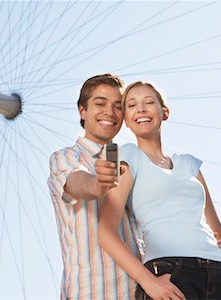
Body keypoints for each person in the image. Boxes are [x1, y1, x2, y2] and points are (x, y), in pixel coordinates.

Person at [98, 80, 221, 299]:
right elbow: (106, 231)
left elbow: (217, 227)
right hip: (170, 273)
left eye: (149, 102)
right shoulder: (128, 155)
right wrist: (148, 281)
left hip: (219, 275)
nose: (140, 108)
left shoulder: (190, 164)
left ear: (165, 112)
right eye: (131, 105)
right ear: (127, 122)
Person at [47, 74, 182, 299]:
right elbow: (76, 182)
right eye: (100, 104)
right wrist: (97, 182)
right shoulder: (66, 158)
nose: (109, 112)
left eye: (118, 106)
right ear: (82, 111)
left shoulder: (134, 162)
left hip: (143, 290)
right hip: (91, 292)